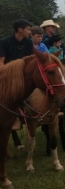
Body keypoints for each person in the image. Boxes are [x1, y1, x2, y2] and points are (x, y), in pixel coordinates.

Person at [0, 19, 33, 150]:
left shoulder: (28, 42)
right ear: (20, 30)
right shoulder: (4, 42)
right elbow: (1, 63)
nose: (30, 32)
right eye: (28, 29)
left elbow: (31, 61)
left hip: (24, 77)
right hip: (7, 77)